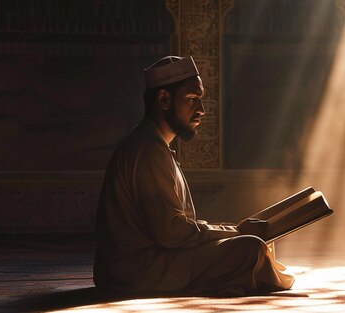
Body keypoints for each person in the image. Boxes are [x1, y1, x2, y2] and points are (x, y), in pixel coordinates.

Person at [93, 56, 294, 295]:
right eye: (192, 100)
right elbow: (170, 233)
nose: (201, 110)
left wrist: (232, 230)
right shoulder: (148, 150)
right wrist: (237, 232)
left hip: (148, 264)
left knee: (254, 244)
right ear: (164, 100)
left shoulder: (152, 145)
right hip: (139, 271)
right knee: (250, 247)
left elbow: (173, 232)